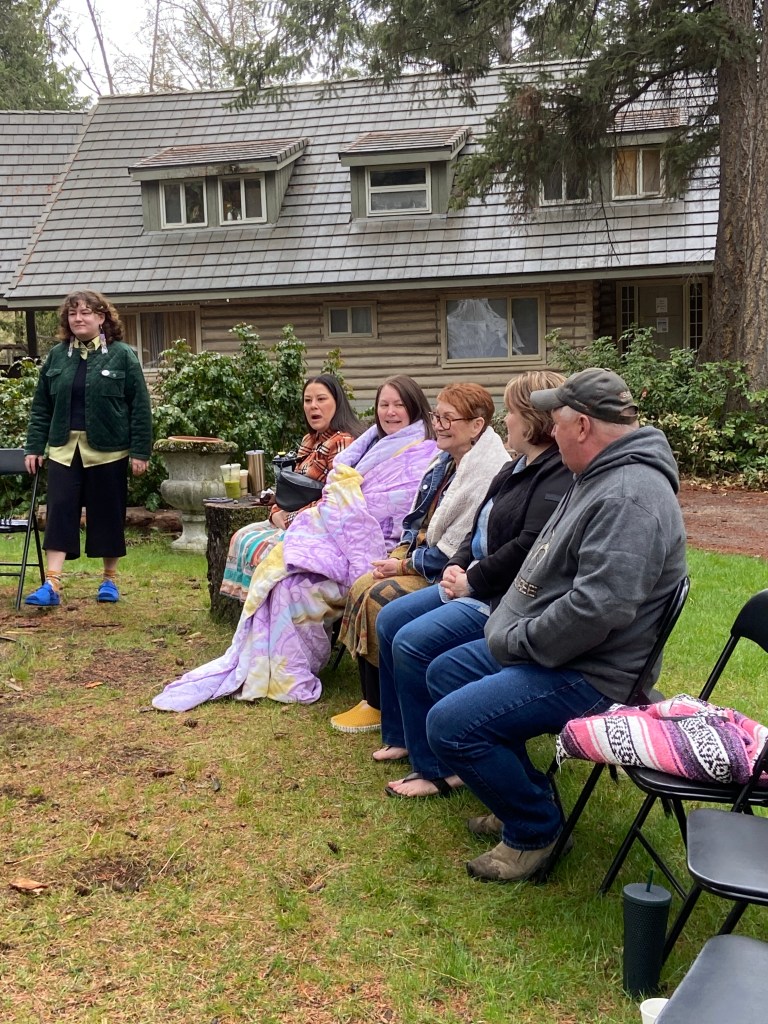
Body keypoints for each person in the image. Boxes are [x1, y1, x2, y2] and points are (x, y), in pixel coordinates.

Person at [422, 367, 687, 880]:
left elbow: (597, 610)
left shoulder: (629, 495)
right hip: (560, 651)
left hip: (593, 673)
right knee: (445, 673)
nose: (550, 429)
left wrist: (519, 638)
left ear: (582, 425)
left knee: (450, 726)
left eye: (557, 421)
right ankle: (519, 793)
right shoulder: (598, 475)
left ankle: (535, 829)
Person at [152, 375, 438, 709]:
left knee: (301, 592)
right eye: (384, 405)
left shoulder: (422, 453)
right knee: (285, 583)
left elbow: (390, 504)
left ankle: (290, 675)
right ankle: (275, 671)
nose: (390, 412)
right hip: (335, 535)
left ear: (415, 407)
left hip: (380, 548)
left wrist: (338, 504)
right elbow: (338, 491)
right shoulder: (369, 444)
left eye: (399, 405)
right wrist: (334, 505)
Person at [374, 370, 572, 796]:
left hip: (499, 597)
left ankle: (438, 769)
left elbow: (525, 548)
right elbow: (475, 527)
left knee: (411, 641)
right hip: (474, 580)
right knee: (390, 618)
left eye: (512, 413)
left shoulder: (554, 475)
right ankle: (406, 738)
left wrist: (471, 580)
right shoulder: (515, 466)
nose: (506, 423)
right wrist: (458, 564)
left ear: (535, 419)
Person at [331, 382, 511, 734]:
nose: (439, 425)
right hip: (424, 553)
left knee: (379, 597)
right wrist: (401, 551)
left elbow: (460, 546)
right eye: (436, 416)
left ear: (476, 425)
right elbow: (416, 521)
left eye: (448, 418)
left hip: (447, 570)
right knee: (363, 583)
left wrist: (403, 564)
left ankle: (380, 704)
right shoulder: (443, 461)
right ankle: (377, 699)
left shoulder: (486, 471)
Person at [23, 289, 152, 606]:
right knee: (60, 511)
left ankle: (109, 581)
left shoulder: (122, 355)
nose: (78, 318)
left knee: (108, 514)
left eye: (85, 312)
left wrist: (140, 451)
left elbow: (140, 407)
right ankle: (51, 584)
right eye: (72, 313)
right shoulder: (56, 356)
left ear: (101, 317)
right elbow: (41, 406)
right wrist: (34, 446)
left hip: (109, 451)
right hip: (64, 450)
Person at [220, 374, 363, 602]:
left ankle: (266, 612)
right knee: (242, 537)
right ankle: (251, 612)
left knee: (263, 548)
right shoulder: (309, 440)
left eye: (321, 399)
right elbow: (292, 491)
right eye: (307, 400)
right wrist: (277, 511)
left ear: (337, 403)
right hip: (290, 518)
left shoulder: (343, 442)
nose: (313, 406)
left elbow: (335, 500)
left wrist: (288, 519)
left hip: (320, 526)